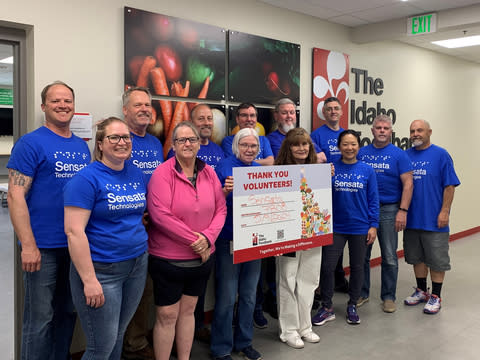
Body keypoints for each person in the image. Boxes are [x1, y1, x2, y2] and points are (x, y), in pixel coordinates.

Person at [7, 81, 91, 360]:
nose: (63, 105)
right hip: (42, 247)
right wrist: (28, 245)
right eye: (56, 101)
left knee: (69, 312)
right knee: (39, 319)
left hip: (74, 245)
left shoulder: (81, 147)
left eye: (67, 100)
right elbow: (15, 196)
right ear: (44, 106)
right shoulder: (30, 143)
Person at [64, 117, 148, 359]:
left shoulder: (134, 173)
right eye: (114, 137)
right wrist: (89, 280)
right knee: (100, 346)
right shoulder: (85, 179)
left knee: (118, 335)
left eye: (126, 137)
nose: (122, 142)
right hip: (102, 270)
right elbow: (74, 232)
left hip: (137, 264)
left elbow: (136, 215)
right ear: (100, 143)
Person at [147, 121, 226, 360]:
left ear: (199, 144)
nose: (187, 144)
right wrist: (197, 240)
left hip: (201, 261)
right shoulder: (162, 173)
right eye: (181, 140)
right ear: (173, 145)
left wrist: (208, 237)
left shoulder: (208, 172)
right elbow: (160, 214)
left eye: (192, 139)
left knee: (189, 312)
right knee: (167, 316)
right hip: (168, 261)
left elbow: (221, 209)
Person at [312, 130, 379, 326]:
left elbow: (373, 200)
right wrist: (326, 177)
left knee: (358, 267)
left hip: (360, 227)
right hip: (335, 227)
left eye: (353, 144)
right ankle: (327, 307)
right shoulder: (330, 168)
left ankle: (352, 305)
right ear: (339, 147)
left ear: (358, 146)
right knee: (327, 267)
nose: (349, 148)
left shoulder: (367, 170)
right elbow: (318, 195)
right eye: (345, 144)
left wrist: (373, 225)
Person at [211, 128, 263, 360]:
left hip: (255, 240)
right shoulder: (223, 168)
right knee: (227, 296)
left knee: (249, 295)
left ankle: (244, 341)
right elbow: (209, 203)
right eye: (245, 146)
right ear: (236, 147)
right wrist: (224, 191)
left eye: (253, 146)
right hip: (229, 238)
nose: (249, 150)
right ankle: (221, 348)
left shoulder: (260, 171)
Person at [122, 87, 163, 360]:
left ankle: (137, 340)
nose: (144, 109)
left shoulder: (155, 143)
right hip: (129, 224)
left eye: (148, 104)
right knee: (126, 291)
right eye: (138, 105)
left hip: (156, 227)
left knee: (146, 289)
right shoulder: (119, 140)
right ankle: (130, 344)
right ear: (125, 110)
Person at [357, 115, 413, 313]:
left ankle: (388, 297)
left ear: (391, 132)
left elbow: (408, 184)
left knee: (389, 256)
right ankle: (362, 293)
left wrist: (403, 211)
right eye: (378, 127)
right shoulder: (362, 152)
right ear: (372, 131)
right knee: (362, 255)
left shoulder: (399, 155)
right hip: (364, 210)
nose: (382, 131)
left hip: (390, 209)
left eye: (385, 128)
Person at [403, 119, 460, 314]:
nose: (415, 134)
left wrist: (444, 211)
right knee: (416, 258)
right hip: (411, 220)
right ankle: (421, 291)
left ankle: (436, 296)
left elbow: (450, 185)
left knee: (436, 260)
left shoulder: (441, 155)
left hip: (435, 220)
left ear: (429, 132)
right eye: (412, 131)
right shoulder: (405, 156)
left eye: (420, 130)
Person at [275, 128, 321, 349]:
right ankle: (289, 330)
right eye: (296, 144)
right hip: (288, 236)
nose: (302, 148)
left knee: (309, 281)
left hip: (313, 233)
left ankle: (305, 327)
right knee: (287, 280)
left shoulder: (317, 171)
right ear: (289, 147)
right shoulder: (278, 172)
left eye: (305, 144)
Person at [311, 97, 349, 293]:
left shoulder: (346, 134)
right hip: (324, 194)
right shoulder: (316, 135)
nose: (333, 112)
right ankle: (321, 285)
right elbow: (318, 161)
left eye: (336, 108)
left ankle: (338, 278)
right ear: (324, 113)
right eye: (329, 109)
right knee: (325, 240)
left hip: (344, 192)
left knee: (339, 236)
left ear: (341, 112)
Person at [167, 104, 224, 170]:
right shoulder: (179, 150)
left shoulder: (218, 150)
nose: (206, 123)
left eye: (209, 118)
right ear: (191, 122)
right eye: (201, 119)